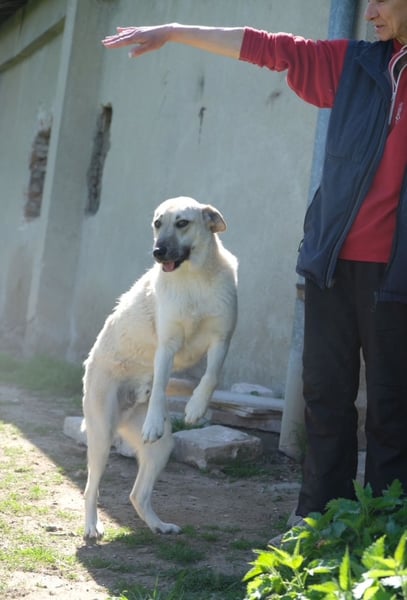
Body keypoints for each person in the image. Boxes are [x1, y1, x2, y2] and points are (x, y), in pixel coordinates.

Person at [102, 0, 407, 537]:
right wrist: (174, 31)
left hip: (398, 274)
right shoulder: (357, 64)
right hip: (331, 265)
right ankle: (320, 519)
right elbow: (269, 48)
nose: (370, 11)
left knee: (392, 405)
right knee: (325, 397)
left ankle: (385, 531)